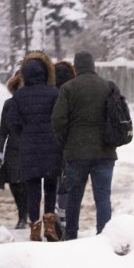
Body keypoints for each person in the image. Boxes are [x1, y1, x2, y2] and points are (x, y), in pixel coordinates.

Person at [51, 51, 117, 240]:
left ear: (75, 68)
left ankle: (71, 235)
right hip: (105, 152)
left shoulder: (68, 88)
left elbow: (58, 120)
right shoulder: (108, 86)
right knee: (103, 198)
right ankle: (104, 237)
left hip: (76, 153)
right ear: (93, 66)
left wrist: (66, 142)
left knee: (74, 197)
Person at [8, 51, 62, 242]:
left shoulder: (19, 96)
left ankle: (34, 229)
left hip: (29, 148)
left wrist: (25, 135)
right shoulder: (54, 93)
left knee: (32, 189)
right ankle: (50, 226)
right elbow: (59, 119)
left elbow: (13, 123)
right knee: (50, 187)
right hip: (51, 147)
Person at [0, 72, 27, 230]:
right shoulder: (9, 104)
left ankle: (24, 216)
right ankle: (23, 216)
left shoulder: (34, 102)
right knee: (16, 183)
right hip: (15, 147)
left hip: (27, 146)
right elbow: (3, 129)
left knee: (22, 183)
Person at [53, 60, 77, 238]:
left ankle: (57, 212)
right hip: (73, 142)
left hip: (53, 141)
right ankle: (65, 213)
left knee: (55, 179)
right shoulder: (73, 91)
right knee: (68, 179)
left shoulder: (52, 93)